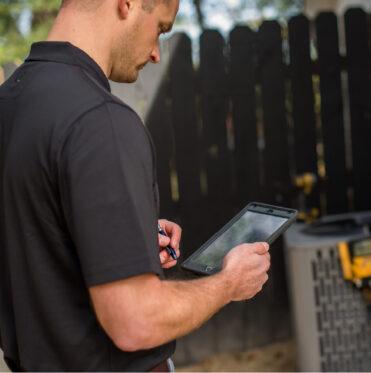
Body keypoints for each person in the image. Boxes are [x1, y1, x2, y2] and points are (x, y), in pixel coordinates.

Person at [0, 0, 271, 371]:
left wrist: (122, 241)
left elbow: (35, 237)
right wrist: (229, 282)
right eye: (160, 28)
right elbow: (135, 323)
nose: (157, 54)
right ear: (127, 4)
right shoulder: (100, 121)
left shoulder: (10, 103)